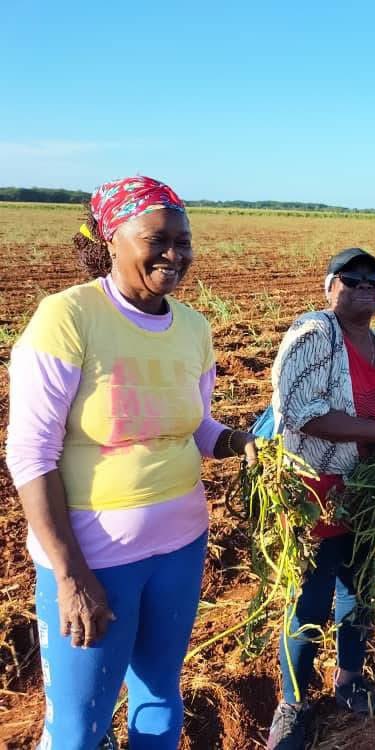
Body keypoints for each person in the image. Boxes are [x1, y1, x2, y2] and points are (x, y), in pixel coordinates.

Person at [4, 176, 258, 750]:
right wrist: (70, 574)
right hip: (95, 558)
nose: (175, 254)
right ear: (111, 239)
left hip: (180, 546)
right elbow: (30, 452)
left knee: (161, 697)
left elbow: (195, 425)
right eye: (157, 239)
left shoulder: (193, 327)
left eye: (184, 241)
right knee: (78, 727)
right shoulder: (67, 317)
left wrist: (237, 442)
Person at [265, 248, 375, 748]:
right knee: (309, 601)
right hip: (314, 491)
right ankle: (292, 704)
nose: (365, 286)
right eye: (351, 277)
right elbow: (299, 411)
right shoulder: (314, 334)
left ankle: (349, 679)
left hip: (367, 497)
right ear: (329, 286)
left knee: (359, 593)